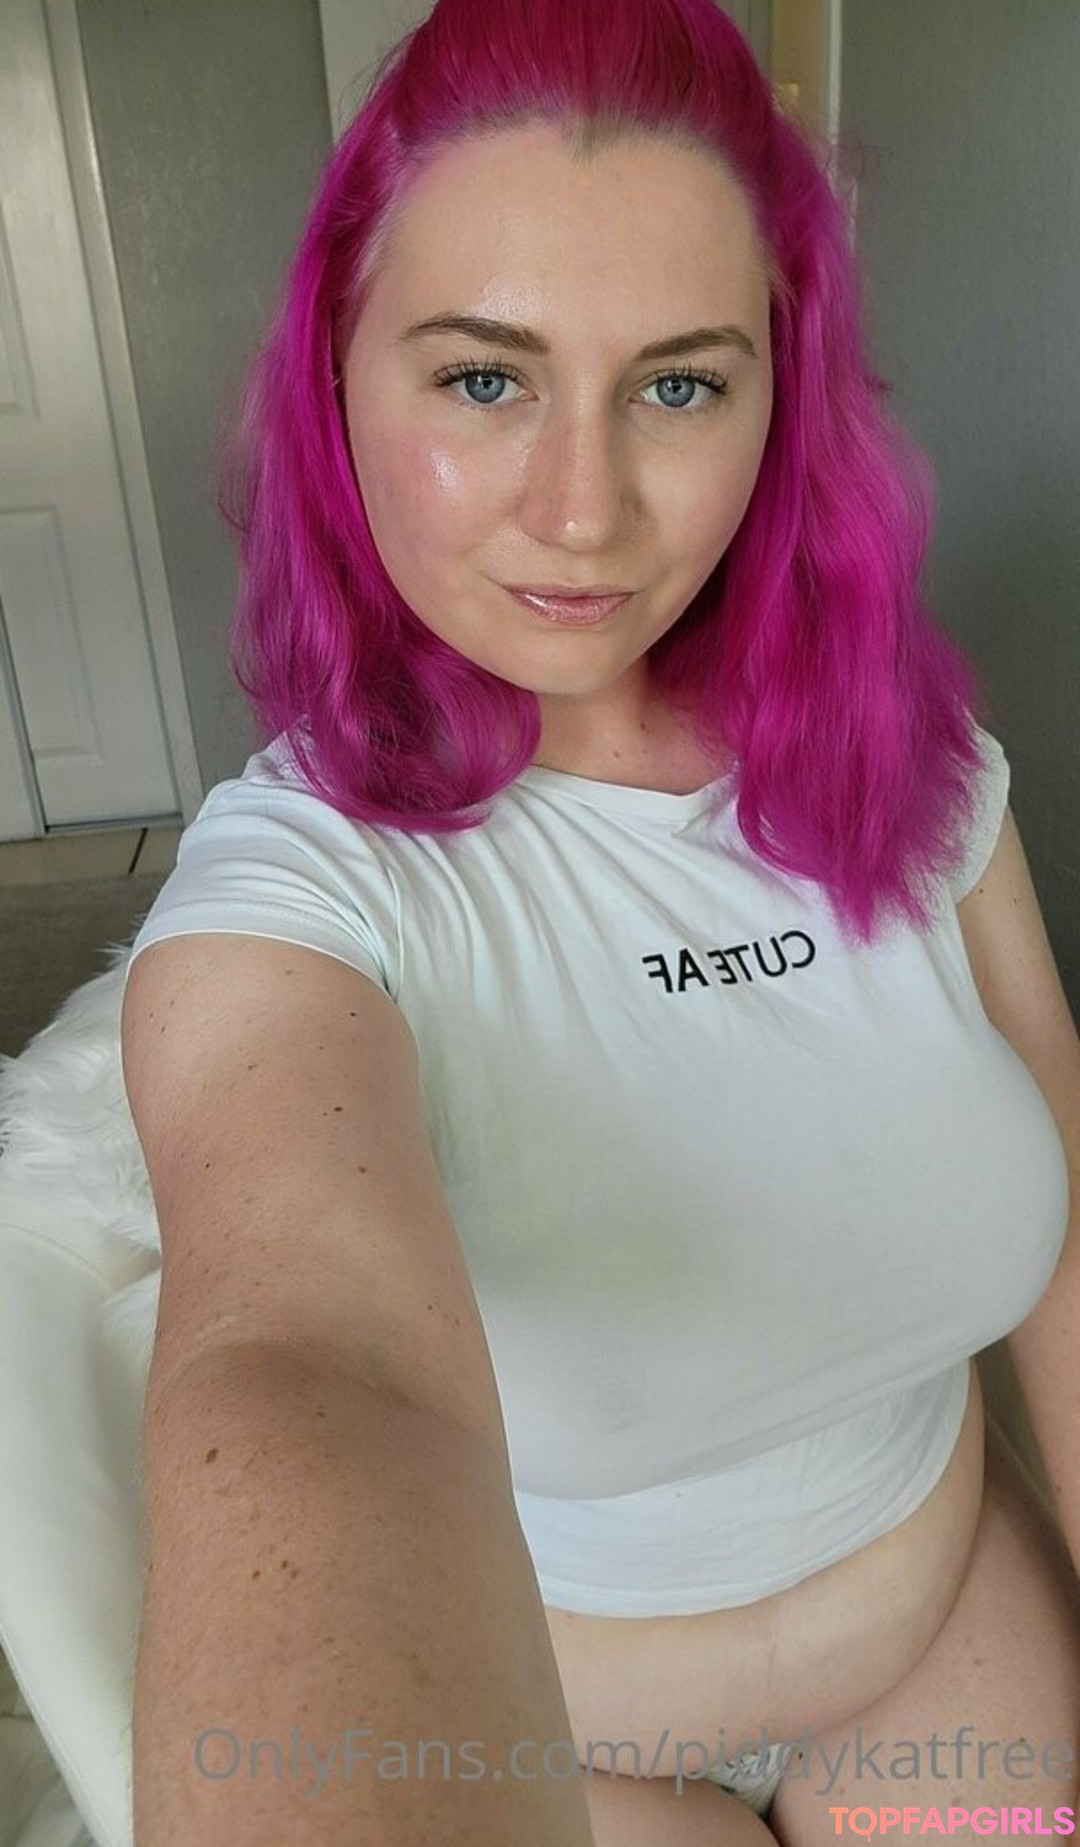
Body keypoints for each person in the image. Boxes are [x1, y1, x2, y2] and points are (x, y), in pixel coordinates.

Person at [118, 0, 1080, 1841]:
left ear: (779, 400)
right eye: (486, 382)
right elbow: (307, 1363)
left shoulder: (919, 765)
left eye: (680, 386)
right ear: (338, 380)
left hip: (947, 1620)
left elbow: (1068, 1218)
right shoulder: (301, 890)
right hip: (545, 1752)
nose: (585, 510)